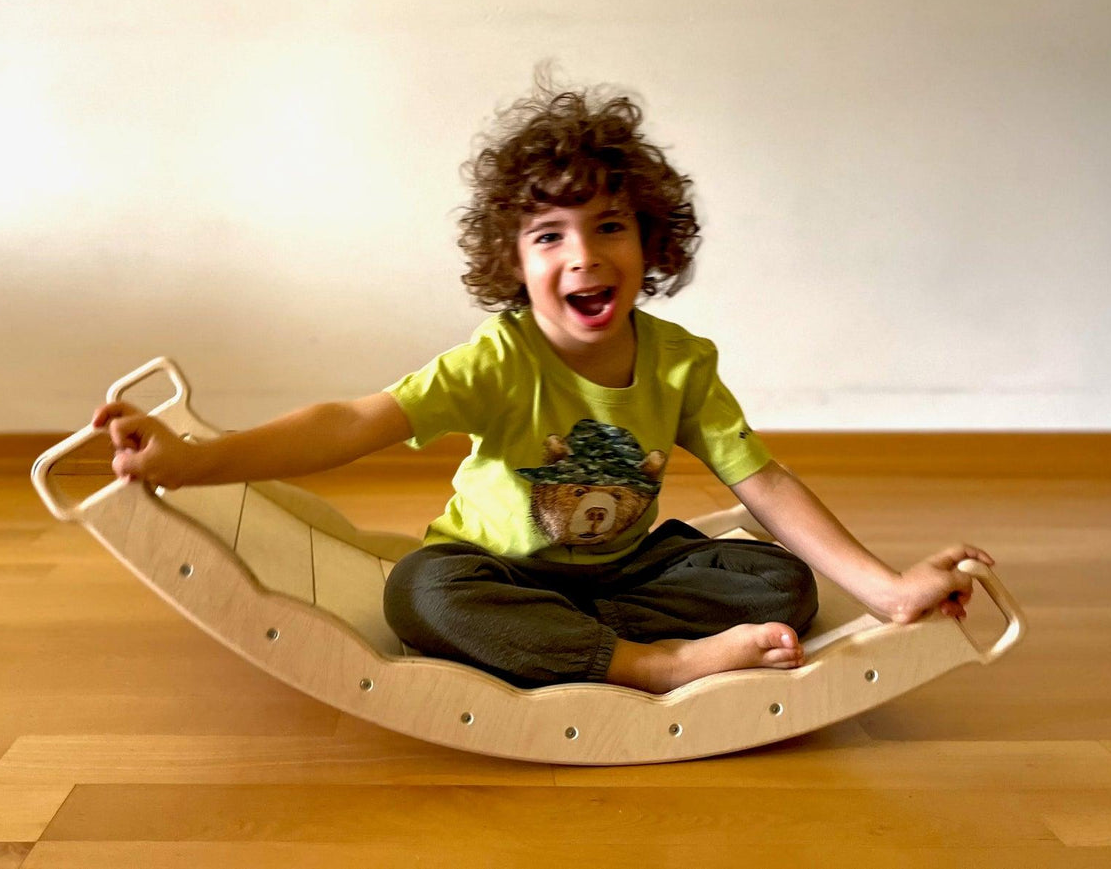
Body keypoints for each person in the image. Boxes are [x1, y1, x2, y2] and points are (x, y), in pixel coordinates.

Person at [93, 82, 992, 694]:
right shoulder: (498, 361)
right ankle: (651, 666)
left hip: (622, 571)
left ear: (650, 244)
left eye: (608, 227)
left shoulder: (681, 362)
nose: (584, 256)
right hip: (494, 570)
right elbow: (352, 421)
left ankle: (567, 636)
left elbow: (766, 484)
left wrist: (884, 590)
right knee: (419, 595)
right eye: (550, 236)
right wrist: (192, 461)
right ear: (513, 263)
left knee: (777, 581)